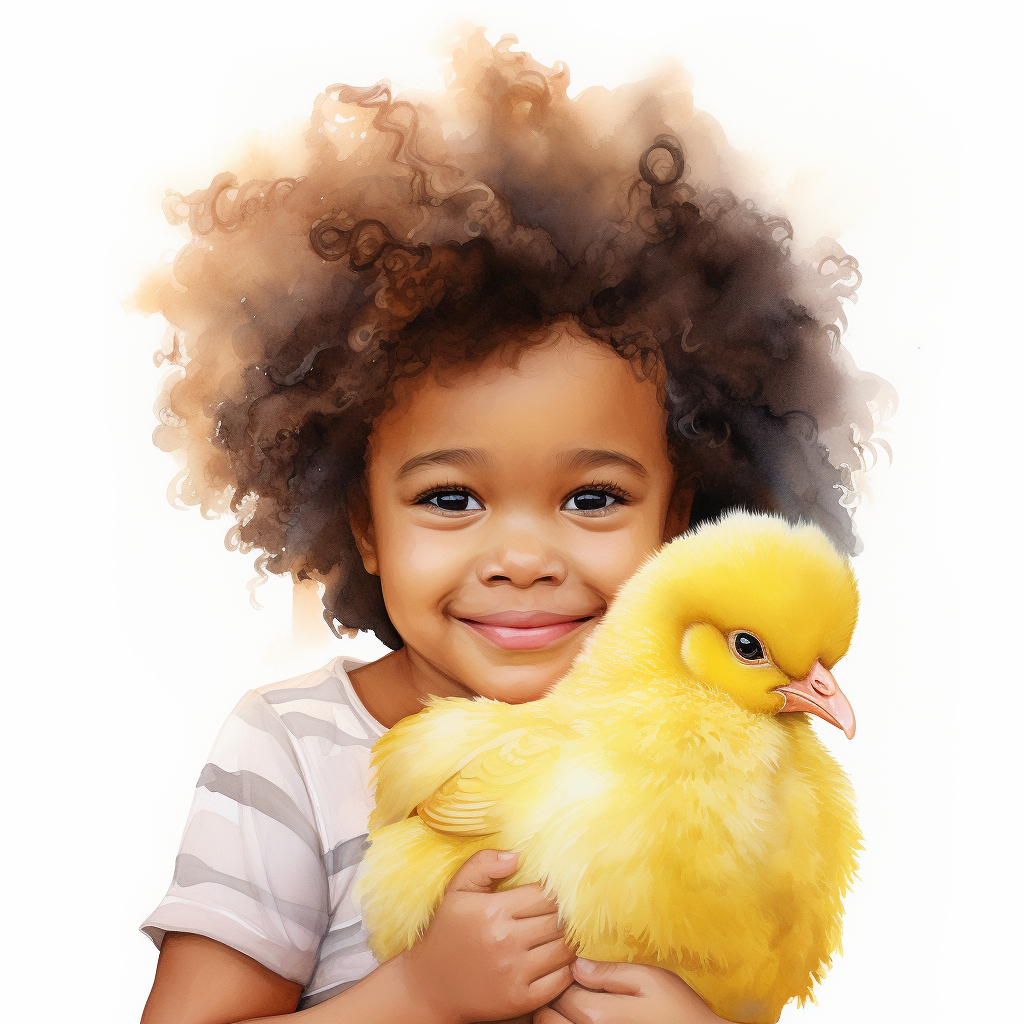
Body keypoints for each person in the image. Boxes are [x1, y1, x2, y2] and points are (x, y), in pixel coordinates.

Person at [136, 27, 892, 1024]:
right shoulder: (293, 754)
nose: (525, 559)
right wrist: (414, 994)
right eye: (451, 499)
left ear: (680, 518)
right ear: (361, 525)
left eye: (591, 499)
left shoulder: (740, 752)